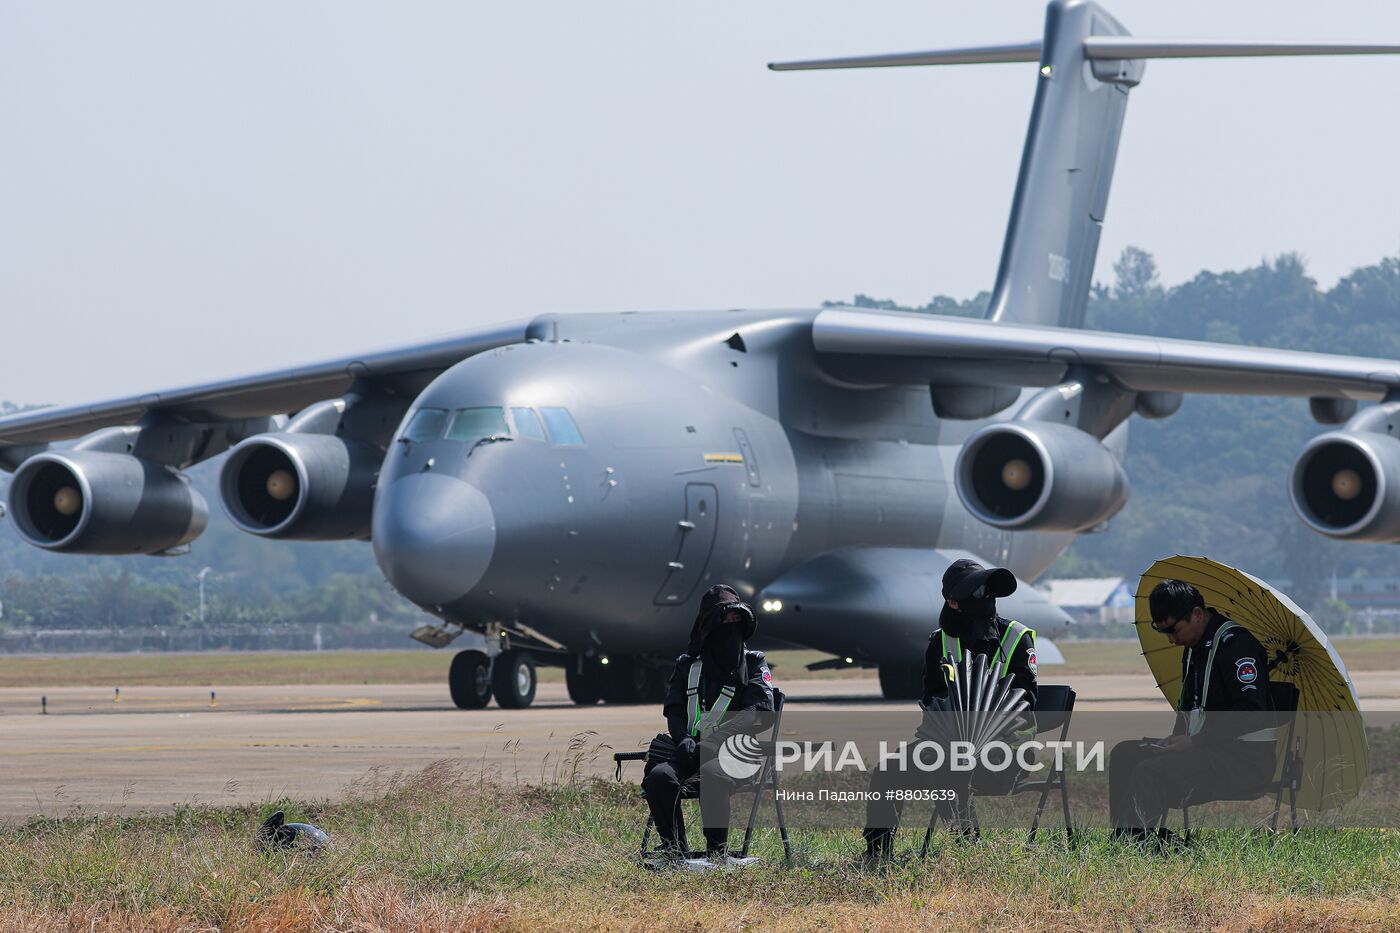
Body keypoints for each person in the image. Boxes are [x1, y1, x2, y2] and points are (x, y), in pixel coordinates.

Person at [862, 558, 1038, 860]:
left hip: (1006, 752)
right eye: (977, 594)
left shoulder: (1016, 638)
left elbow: (1026, 701)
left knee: (948, 766)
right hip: (946, 748)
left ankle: (968, 849)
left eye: (987, 593)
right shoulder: (940, 642)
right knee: (889, 771)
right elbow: (931, 699)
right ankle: (878, 853)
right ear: (954, 603)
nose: (986, 601)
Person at [1109, 579, 1276, 846]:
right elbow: (1190, 710)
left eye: (1174, 630)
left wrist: (1195, 741)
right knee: (1125, 754)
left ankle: (1135, 847)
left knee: (1150, 772)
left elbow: (1253, 711)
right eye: (1163, 632)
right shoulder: (1193, 649)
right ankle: (1124, 838)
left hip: (1244, 761)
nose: (1171, 639)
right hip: (1208, 751)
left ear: (1197, 614)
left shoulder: (1236, 646)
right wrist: (1175, 740)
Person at [642, 583, 775, 867]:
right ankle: (674, 852)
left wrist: (715, 740)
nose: (732, 626)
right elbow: (674, 709)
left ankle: (717, 853)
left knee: (713, 776)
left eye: (737, 620)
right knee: (659, 777)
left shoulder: (753, 664)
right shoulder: (687, 665)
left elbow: (759, 712)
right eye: (726, 620)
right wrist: (682, 740)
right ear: (709, 625)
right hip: (688, 751)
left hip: (735, 753)